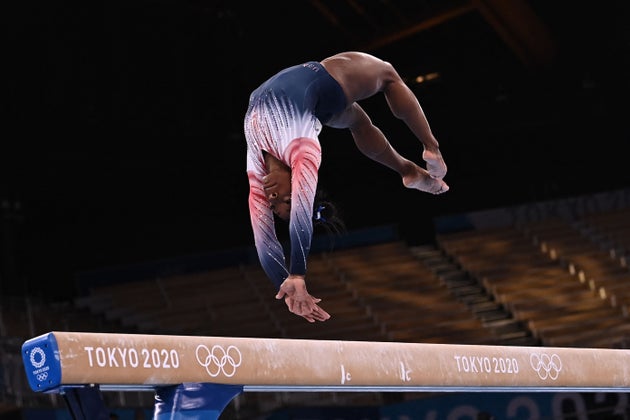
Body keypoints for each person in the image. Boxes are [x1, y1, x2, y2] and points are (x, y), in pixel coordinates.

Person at [244, 51, 449, 323]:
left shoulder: (256, 172)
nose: (271, 197)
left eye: (273, 204)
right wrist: (296, 276)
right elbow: (300, 217)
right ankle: (431, 150)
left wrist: (286, 283)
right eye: (286, 201)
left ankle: (409, 170)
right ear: (301, 184)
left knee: (358, 122)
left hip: (314, 103)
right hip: (323, 81)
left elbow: (264, 240)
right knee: (388, 74)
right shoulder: (303, 151)